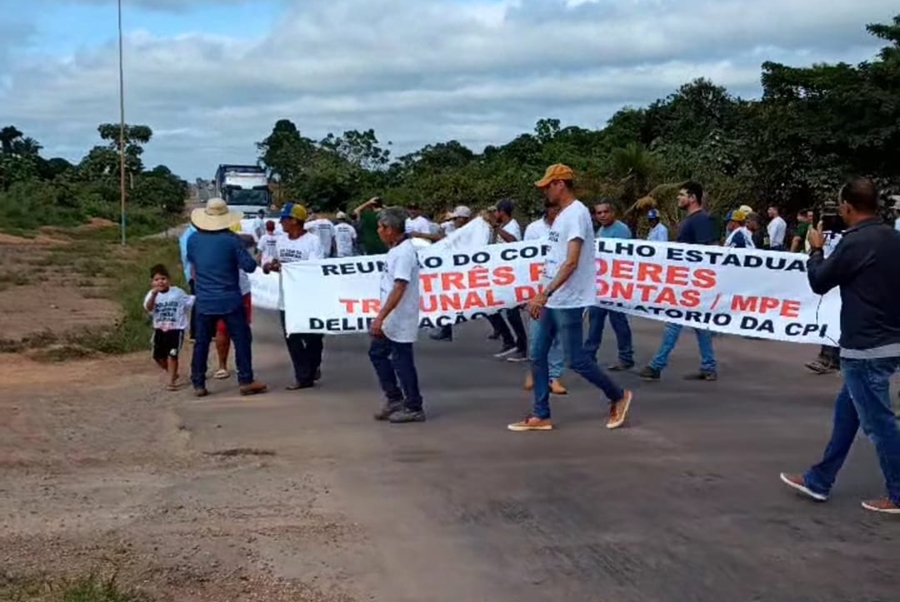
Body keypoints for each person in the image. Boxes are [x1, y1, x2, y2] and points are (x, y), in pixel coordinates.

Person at [780, 177, 900, 514]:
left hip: (865, 348)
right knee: (847, 415)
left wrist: (816, 249)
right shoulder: (893, 238)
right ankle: (820, 480)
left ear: (847, 205)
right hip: (888, 343)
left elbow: (819, 281)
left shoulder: (855, 242)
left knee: (879, 425)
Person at [508, 164, 633, 432]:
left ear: (560, 184)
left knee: (576, 359)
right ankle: (541, 414)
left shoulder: (575, 215)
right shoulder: (563, 216)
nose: (545, 191)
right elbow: (554, 260)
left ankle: (618, 395)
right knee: (538, 355)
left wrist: (544, 293)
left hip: (568, 300)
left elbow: (571, 261)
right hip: (554, 299)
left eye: (547, 186)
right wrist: (542, 293)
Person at [186, 198, 267, 397]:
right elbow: (249, 266)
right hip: (229, 298)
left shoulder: (193, 239)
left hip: (204, 298)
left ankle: (198, 382)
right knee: (241, 339)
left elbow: (193, 261)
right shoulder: (231, 240)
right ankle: (246, 380)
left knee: (202, 342)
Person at [639, 182, 718, 381]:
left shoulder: (700, 220)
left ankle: (657, 365)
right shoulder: (694, 220)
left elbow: (706, 251)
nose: (678, 198)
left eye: (682, 195)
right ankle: (708, 366)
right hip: (690, 280)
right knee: (699, 325)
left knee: (674, 322)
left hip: (692, 282)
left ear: (693, 198)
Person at [369, 207, 426, 424]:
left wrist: (381, 317)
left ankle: (413, 405)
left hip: (400, 317)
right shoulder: (396, 250)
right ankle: (395, 398)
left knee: (402, 361)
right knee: (377, 353)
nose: (379, 231)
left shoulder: (404, 253)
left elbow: (399, 287)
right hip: (392, 317)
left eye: (381, 227)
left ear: (391, 229)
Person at [263, 202, 326, 390]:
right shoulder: (281, 240)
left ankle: (312, 367)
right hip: (287, 298)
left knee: (314, 337)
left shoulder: (312, 241)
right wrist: (271, 266)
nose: (281, 222)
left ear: (295, 220)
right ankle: (303, 376)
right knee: (293, 338)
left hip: (308, 297)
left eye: (284, 219)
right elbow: (275, 260)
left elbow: (315, 267)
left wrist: (291, 268)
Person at [522, 207, 567, 395]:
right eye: (555, 209)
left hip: (563, 290)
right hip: (538, 290)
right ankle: (535, 371)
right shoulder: (533, 229)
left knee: (559, 337)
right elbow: (523, 259)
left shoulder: (569, 227)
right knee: (536, 336)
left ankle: (553, 377)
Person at [586, 200, 635, 371]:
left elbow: (625, 258)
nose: (602, 215)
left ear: (612, 212)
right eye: (598, 213)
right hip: (601, 285)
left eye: (605, 212)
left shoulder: (621, 230)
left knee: (618, 322)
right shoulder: (601, 230)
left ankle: (626, 357)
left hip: (615, 286)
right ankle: (589, 355)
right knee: (595, 321)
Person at [483, 199, 528, 360]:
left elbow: (514, 242)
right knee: (493, 308)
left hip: (512, 274)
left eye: (496, 211)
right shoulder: (504, 227)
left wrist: (496, 226)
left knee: (511, 312)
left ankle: (522, 345)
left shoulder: (512, 226)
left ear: (502, 211)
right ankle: (512, 341)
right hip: (502, 274)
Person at [144, 264, 194, 391]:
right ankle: (172, 372)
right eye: (156, 279)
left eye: (163, 278)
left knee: (173, 354)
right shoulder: (151, 295)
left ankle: (171, 381)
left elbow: (189, 301)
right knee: (158, 356)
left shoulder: (177, 292)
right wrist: (154, 295)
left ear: (169, 280)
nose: (160, 282)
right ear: (152, 282)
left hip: (176, 329)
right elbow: (149, 308)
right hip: (160, 329)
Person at [178, 222, 198, 341]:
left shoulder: (193, 234)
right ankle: (194, 332)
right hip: (194, 273)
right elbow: (189, 255)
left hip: (197, 272)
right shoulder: (189, 235)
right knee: (197, 301)